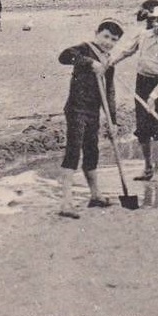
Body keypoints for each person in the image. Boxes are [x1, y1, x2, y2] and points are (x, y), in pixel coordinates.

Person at [57, 19, 125, 218]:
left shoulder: (109, 62)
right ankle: (65, 202)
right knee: (73, 151)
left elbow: (109, 92)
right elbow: (64, 56)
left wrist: (112, 120)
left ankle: (95, 195)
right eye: (105, 37)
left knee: (91, 151)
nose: (108, 42)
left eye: (113, 39)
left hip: (93, 111)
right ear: (96, 34)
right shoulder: (84, 49)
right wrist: (89, 62)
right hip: (76, 108)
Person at [110, 4, 158, 181]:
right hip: (142, 83)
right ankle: (147, 168)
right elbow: (128, 51)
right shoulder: (143, 36)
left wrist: (153, 97)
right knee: (142, 129)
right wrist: (112, 62)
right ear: (155, 20)